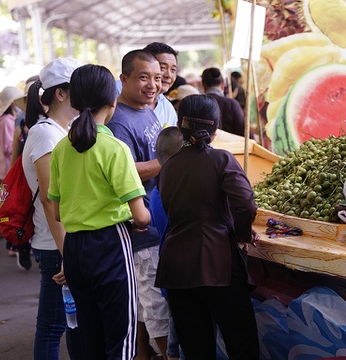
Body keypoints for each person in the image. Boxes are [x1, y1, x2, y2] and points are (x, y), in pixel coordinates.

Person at [48, 63, 150, 359]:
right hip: (110, 244)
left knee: (88, 332)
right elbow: (141, 215)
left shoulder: (61, 148)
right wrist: (140, 220)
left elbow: (56, 213)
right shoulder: (114, 148)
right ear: (113, 101)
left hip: (76, 247)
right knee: (121, 335)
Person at [156, 94, 260, 359]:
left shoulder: (168, 167)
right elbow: (246, 204)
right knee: (242, 344)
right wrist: (242, 235)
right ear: (216, 129)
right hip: (218, 263)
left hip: (177, 267)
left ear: (180, 126)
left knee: (195, 350)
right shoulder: (222, 160)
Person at [107, 49, 169, 360]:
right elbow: (126, 171)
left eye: (157, 78)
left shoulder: (148, 110)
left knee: (144, 305)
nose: (152, 85)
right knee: (155, 304)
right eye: (143, 77)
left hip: (157, 221)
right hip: (141, 227)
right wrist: (168, 160)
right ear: (124, 79)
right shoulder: (119, 121)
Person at [22, 58, 82, 358]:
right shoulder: (45, 134)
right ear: (60, 94)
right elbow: (49, 199)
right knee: (52, 327)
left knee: (70, 325)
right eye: (78, 89)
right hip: (55, 246)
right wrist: (66, 255)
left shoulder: (61, 130)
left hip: (62, 243)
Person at [149, 126, 183, 360]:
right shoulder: (173, 194)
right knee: (177, 338)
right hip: (180, 276)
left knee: (176, 329)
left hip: (169, 276)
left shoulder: (155, 193)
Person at [201, 67, 249, 138]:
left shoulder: (197, 103)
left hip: (203, 148)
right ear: (223, 84)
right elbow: (244, 131)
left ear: (203, 84)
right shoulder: (231, 104)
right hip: (232, 148)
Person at [143, 42, 179, 129]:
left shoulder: (168, 109)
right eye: (162, 68)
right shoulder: (117, 90)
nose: (169, 75)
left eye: (173, 70)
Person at [0, 86, 24, 183]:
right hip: (7, 168)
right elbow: (7, 148)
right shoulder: (6, 121)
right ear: (13, 103)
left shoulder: (14, 118)